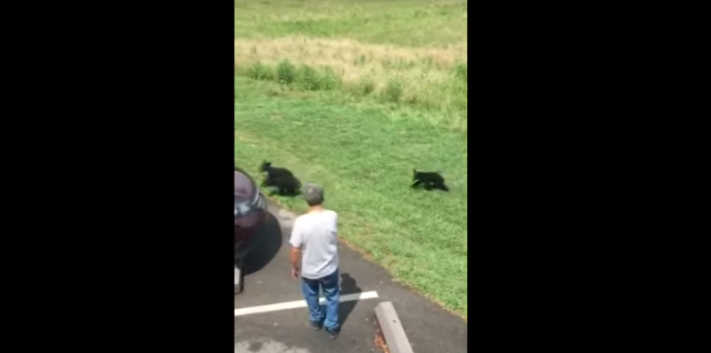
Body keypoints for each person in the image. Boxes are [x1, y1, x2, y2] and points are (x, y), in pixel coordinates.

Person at [289, 183, 340, 339]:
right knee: (332, 296)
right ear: (322, 198)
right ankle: (332, 326)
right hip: (330, 268)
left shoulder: (301, 222)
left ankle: (317, 319)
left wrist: (294, 267)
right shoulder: (332, 215)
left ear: (306, 200)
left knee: (311, 295)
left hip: (310, 270)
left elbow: (295, 249)